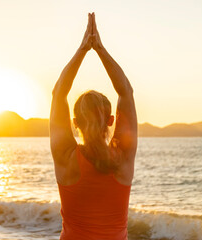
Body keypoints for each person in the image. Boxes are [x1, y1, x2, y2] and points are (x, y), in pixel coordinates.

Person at [50, 12, 138, 240]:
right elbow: (126, 92)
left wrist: (82, 50)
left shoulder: (65, 157)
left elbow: (59, 94)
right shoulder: (122, 157)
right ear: (111, 121)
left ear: (75, 123)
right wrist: (99, 48)